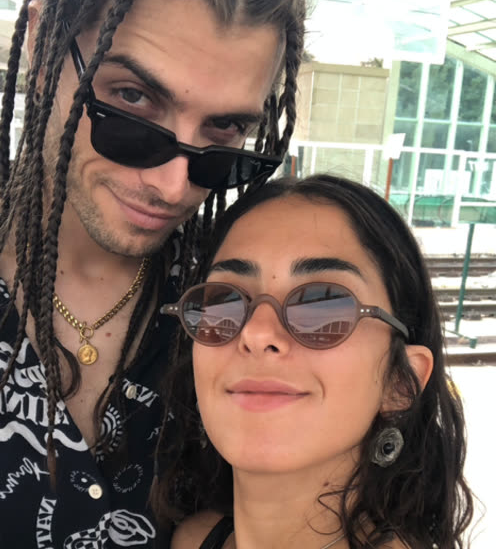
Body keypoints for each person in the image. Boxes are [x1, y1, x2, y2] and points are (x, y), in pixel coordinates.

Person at [0, 0, 306, 547]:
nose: (173, 185)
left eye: (224, 131)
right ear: (43, 47)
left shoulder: (243, 314)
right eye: (133, 99)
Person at [155, 174, 474, 549]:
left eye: (323, 305)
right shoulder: (192, 540)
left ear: (401, 383)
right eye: (224, 301)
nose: (257, 333)